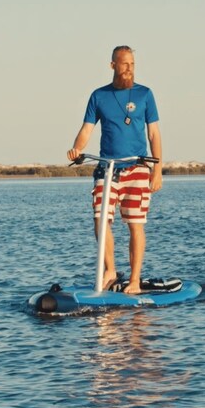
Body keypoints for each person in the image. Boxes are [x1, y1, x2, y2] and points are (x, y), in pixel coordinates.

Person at [67, 45, 163, 294]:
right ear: (113, 65)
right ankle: (110, 270)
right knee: (100, 219)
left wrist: (158, 168)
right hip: (107, 169)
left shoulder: (145, 95)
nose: (129, 68)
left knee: (135, 223)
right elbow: (87, 129)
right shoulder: (99, 96)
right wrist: (77, 149)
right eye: (124, 63)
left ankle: (134, 280)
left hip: (138, 168)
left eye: (132, 63)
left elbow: (154, 133)